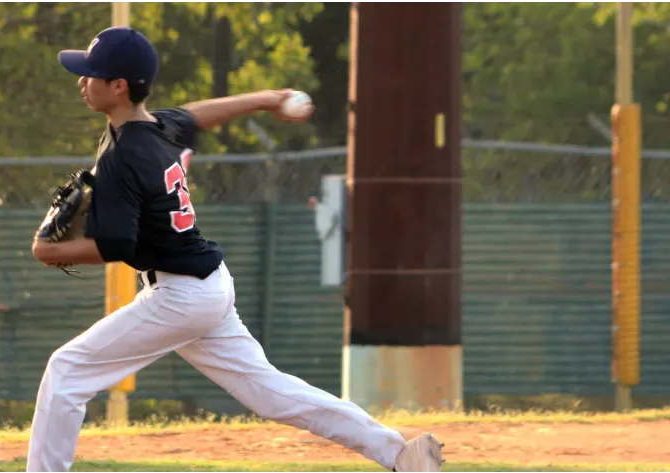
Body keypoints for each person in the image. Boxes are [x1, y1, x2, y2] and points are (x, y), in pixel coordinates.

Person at [27, 26, 445, 473]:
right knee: (270, 392)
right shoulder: (158, 128)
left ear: (119, 86)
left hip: (179, 297)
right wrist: (266, 98)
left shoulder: (122, 156)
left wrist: (46, 251)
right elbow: (197, 116)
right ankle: (401, 455)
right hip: (206, 286)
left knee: (67, 372)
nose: (81, 81)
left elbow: (116, 245)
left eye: (92, 74)